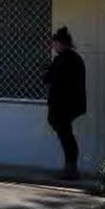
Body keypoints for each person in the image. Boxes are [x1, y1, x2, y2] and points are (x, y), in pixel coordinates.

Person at [43, 26, 87, 180]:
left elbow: (49, 78)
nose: (53, 47)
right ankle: (70, 167)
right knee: (66, 134)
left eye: (54, 43)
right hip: (70, 104)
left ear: (61, 43)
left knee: (66, 135)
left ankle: (71, 168)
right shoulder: (74, 59)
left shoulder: (64, 59)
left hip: (63, 105)